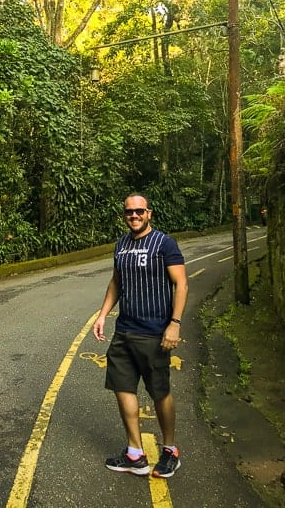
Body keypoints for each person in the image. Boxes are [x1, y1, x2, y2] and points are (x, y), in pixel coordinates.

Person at [93, 193, 189, 478]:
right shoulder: (121, 245)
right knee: (122, 388)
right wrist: (102, 315)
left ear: (149, 213)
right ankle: (135, 454)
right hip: (124, 330)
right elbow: (116, 282)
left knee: (160, 391)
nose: (133, 216)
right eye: (128, 212)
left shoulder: (164, 243)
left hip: (155, 332)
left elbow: (181, 284)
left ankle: (170, 449)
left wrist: (175, 323)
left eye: (138, 211)